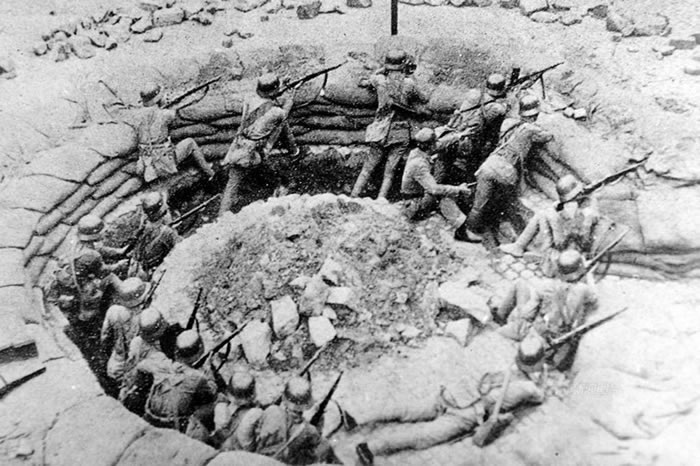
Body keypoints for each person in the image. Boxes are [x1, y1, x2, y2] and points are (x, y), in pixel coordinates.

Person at [353, 337, 546, 464]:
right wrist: (542, 372)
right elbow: (540, 397)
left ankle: (356, 417)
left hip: (455, 394)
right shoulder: (527, 388)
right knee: (423, 435)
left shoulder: (505, 362)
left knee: (409, 409)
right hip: (467, 414)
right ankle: (371, 448)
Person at [465, 95, 555, 246]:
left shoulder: (509, 124)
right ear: (534, 115)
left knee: (479, 204)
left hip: (489, 165)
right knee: (511, 201)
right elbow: (547, 136)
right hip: (505, 171)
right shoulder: (530, 129)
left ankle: (469, 231)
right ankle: (518, 234)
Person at [494, 250, 598, 370]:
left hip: (536, 333)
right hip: (559, 341)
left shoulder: (545, 285)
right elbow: (594, 298)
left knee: (520, 285)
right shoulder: (584, 290)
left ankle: (499, 317)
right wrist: (587, 274)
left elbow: (526, 315)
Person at [352, 49, 430, 199]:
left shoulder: (379, 80)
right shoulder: (409, 83)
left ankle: (353, 196)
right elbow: (424, 98)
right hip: (399, 132)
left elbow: (363, 82)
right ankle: (381, 200)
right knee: (389, 172)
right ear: (403, 65)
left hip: (380, 129)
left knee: (367, 169)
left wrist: (381, 70)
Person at [219, 73, 300, 216]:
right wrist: (290, 97)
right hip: (253, 155)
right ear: (274, 91)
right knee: (277, 171)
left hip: (238, 149)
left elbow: (265, 107)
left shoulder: (249, 100)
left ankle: (221, 217)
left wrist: (280, 87)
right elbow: (283, 115)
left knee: (231, 187)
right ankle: (293, 157)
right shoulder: (277, 112)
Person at [499, 174, 601, 277]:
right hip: (565, 240)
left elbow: (574, 242)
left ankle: (538, 253)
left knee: (547, 216)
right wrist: (557, 212)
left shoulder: (587, 213)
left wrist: (558, 222)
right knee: (544, 214)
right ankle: (519, 246)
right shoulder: (581, 203)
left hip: (570, 251)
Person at [126, 82, 215, 184]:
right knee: (190, 142)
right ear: (158, 99)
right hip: (162, 163)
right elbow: (177, 114)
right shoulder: (165, 114)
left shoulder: (136, 116)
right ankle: (211, 173)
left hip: (144, 163)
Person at [433, 73, 510, 185]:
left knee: (443, 160)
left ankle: (435, 185)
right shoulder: (496, 108)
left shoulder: (473, 94)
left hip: (451, 136)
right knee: (476, 162)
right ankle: (470, 185)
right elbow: (494, 123)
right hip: (469, 144)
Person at [400, 127, 473, 241]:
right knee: (443, 194)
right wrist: (459, 189)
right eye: (435, 143)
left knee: (443, 189)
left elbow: (441, 144)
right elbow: (434, 189)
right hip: (414, 206)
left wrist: (458, 136)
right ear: (431, 145)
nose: (437, 144)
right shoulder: (419, 165)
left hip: (414, 198)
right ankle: (461, 230)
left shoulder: (417, 151)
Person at [143, 330, 218, 435]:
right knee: (217, 401)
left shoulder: (163, 364)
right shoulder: (197, 377)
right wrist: (208, 370)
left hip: (149, 416)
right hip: (172, 425)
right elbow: (212, 392)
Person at [255, 376, 335, 464]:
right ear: (306, 405)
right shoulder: (309, 430)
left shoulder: (272, 410)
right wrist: (320, 423)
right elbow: (319, 449)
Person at [118, 308, 170, 413]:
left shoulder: (135, 342)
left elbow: (129, 369)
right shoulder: (160, 352)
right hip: (148, 391)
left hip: (134, 387)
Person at [100, 277, 149, 383]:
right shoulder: (145, 319)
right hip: (134, 370)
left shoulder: (113, 311)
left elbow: (104, 337)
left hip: (115, 365)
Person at [130, 192, 181, 280]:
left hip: (135, 268)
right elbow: (181, 248)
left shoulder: (145, 223)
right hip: (149, 274)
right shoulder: (167, 232)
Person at [215, 371, 265, 451]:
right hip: (239, 453)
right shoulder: (254, 414)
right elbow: (248, 446)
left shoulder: (220, 407)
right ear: (253, 393)